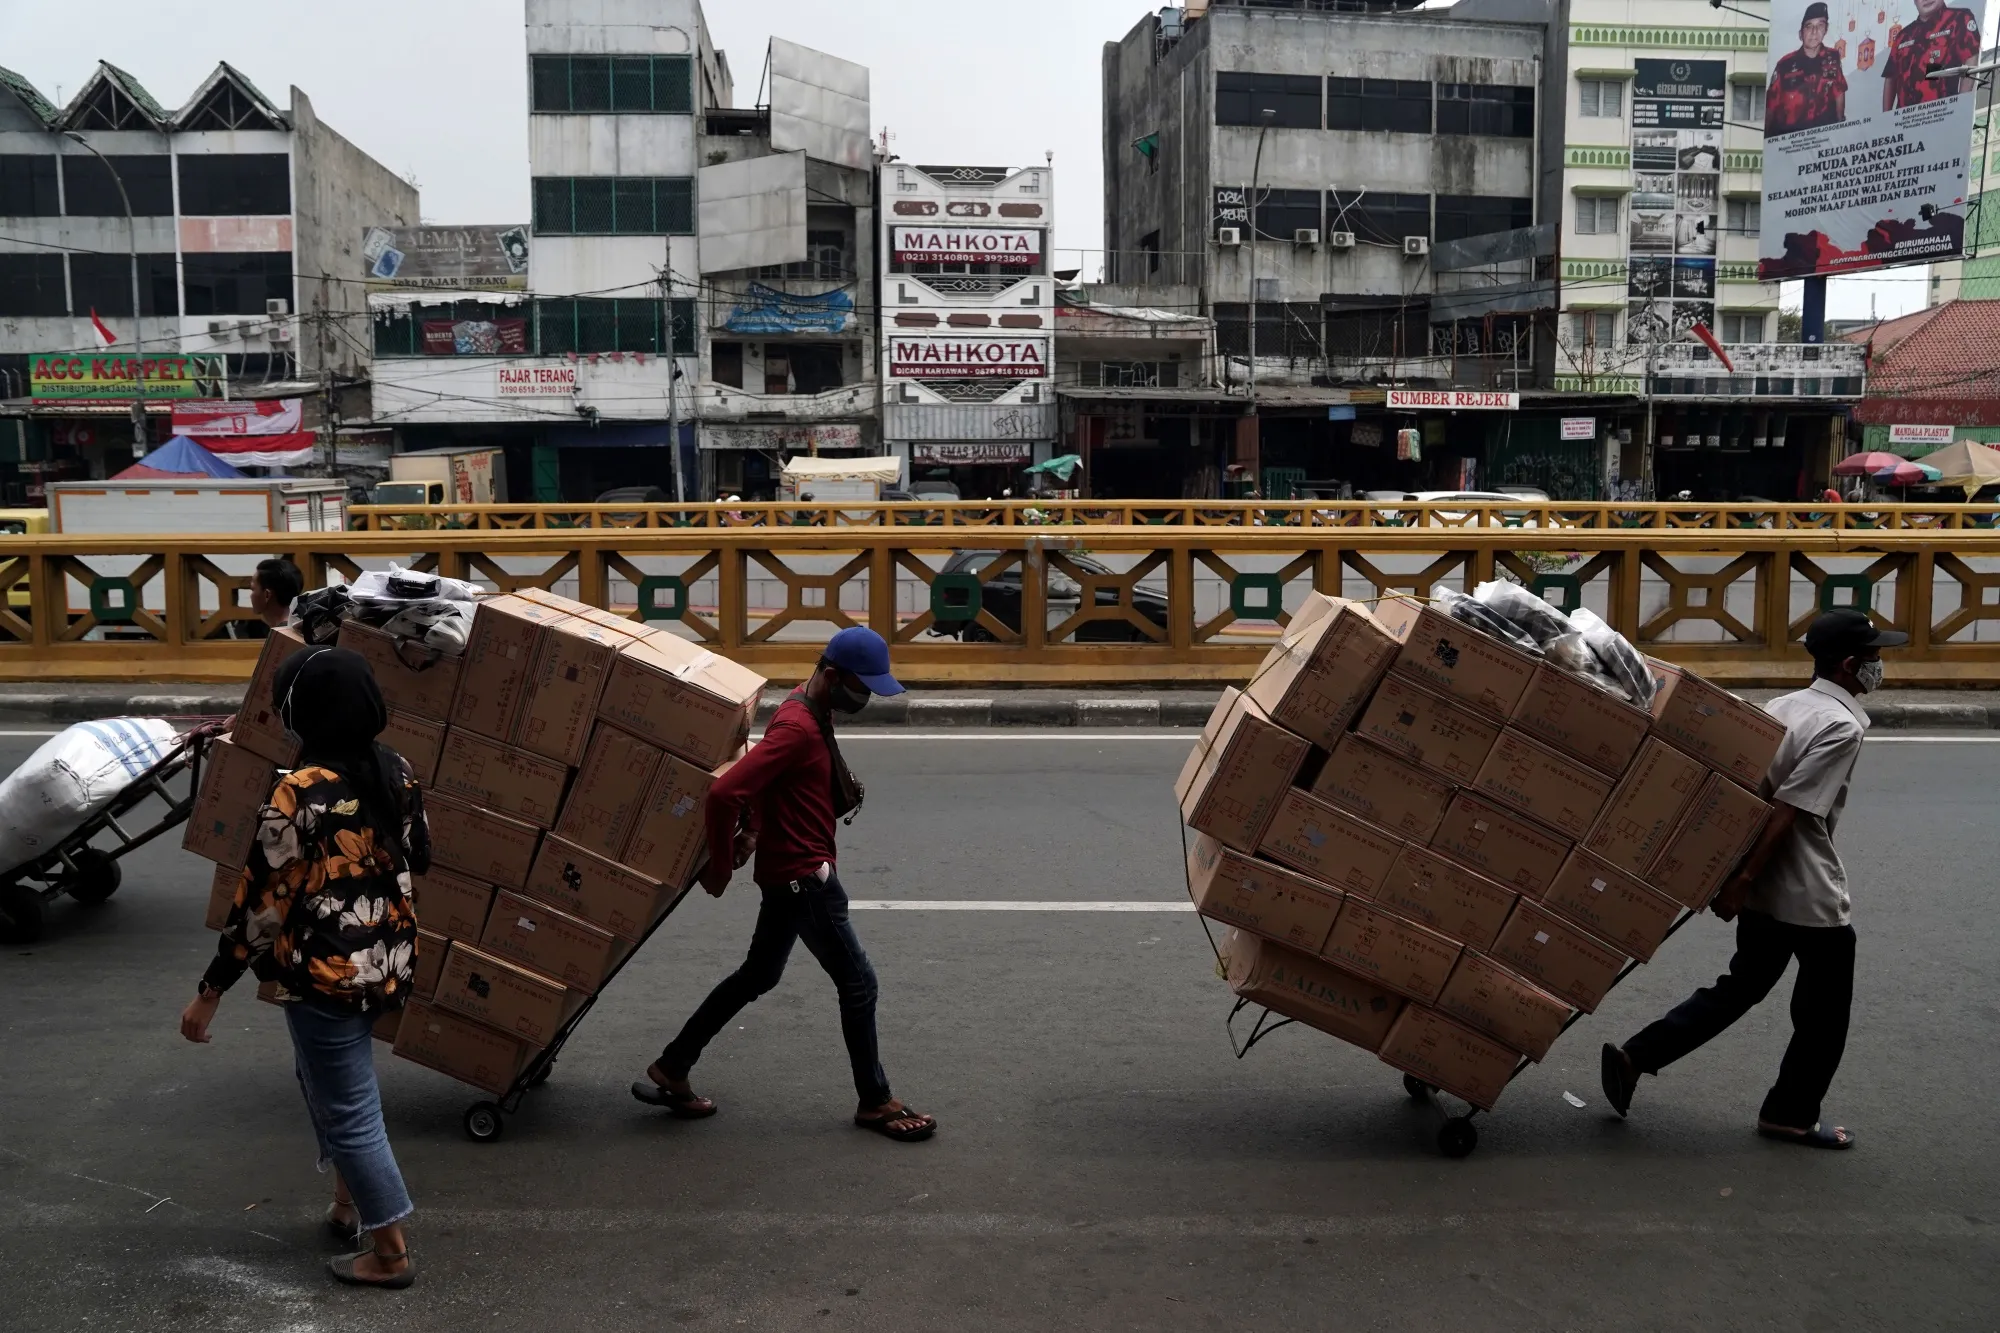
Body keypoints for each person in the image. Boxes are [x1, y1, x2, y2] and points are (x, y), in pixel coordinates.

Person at [1601, 609, 1904, 1150]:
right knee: (1825, 1011)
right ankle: (1789, 1114)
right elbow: (1789, 811)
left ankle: (1637, 1056)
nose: (1880, 667)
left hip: (1760, 879)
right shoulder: (1841, 725)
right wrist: (1740, 879)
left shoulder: (1782, 708)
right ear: (1852, 664)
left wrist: (1738, 875)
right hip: (1802, 885)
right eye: (1876, 658)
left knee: (1743, 985)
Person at [179, 647, 431, 1285]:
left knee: (348, 1106)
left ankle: (391, 1252)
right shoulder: (397, 769)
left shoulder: (299, 793)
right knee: (330, 1083)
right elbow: (421, 855)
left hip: (326, 973)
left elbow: (259, 904)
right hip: (389, 962)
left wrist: (211, 990)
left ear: (305, 714)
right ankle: (348, 1206)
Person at [633, 627, 937, 1143]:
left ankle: (673, 1065)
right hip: (804, 879)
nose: (864, 698)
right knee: (858, 984)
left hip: (789, 876)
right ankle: (875, 1100)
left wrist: (756, 827)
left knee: (757, 975)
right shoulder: (798, 726)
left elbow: (767, 787)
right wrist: (722, 868)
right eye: (860, 687)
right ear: (832, 676)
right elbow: (725, 793)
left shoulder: (810, 707)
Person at [1766, 3, 1847, 135]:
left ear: (1826, 30)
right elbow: (1770, 105)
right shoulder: (1785, 65)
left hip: (1824, 138)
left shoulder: (1833, 57)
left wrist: (1840, 125)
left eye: (1820, 25)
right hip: (1790, 142)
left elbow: (1839, 92)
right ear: (1800, 34)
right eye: (1809, 26)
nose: (1814, 32)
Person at [1884, 0, 1981, 110]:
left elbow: (1971, 58)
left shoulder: (1959, 18)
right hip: (1904, 121)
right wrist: (1886, 119)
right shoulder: (1903, 36)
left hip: (1940, 115)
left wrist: (1960, 107)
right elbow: (1890, 78)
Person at [226, 558, 303, 640]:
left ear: (267, 595)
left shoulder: (284, 638)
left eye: (253, 589)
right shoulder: (301, 627)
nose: (251, 595)